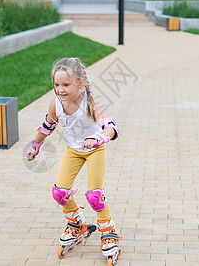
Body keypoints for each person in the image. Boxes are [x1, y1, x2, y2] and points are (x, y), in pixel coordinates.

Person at [26, 58, 121, 260]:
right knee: (59, 193)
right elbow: (47, 127)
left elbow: (110, 125)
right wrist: (35, 145)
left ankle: (109, 231)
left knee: (95, 196)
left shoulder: (89, 103)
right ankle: (77, 224)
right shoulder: (56, 105)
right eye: (56, 85)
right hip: (74, 151)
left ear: (79, 83)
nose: (60, 89)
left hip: (95, 150)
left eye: (66, 85)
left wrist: (100, 137)